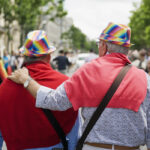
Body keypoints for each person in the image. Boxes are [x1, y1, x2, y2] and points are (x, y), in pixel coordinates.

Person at [9, 23, 150, 150]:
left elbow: (54, 101)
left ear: (104, 46)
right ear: (126, 50)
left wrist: (27, 81)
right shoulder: (145, 79)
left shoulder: (88, 71)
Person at [0, 30, 79, 150]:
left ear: (24, 56)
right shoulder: (65, 84)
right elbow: (74, 128)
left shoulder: (5, 86)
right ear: (49, 56)